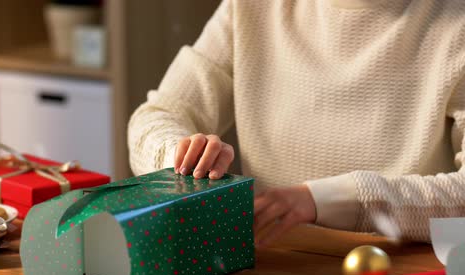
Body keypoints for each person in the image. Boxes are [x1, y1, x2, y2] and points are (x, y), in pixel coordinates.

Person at [127, 0, 465, 245]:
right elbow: (155, 117)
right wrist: (183, 158)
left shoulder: (456, 22)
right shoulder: (248, 8)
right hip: (269, 266)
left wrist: (321, 200)